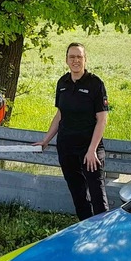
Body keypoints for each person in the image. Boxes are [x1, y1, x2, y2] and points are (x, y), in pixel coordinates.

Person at [36, 42, 110, 219]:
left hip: (89, 150)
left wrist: (92, 150)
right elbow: (60, 114)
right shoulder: (62, 83)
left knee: (98, 197)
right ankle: (85, 230)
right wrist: (46, 140)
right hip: (67, 148)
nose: (75, 60)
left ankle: (103, 235)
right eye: (72, 57)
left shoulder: (95, 83)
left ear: (85, 60)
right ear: (66, 60)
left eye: (79, 57)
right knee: (78, 196)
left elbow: (102, 119)